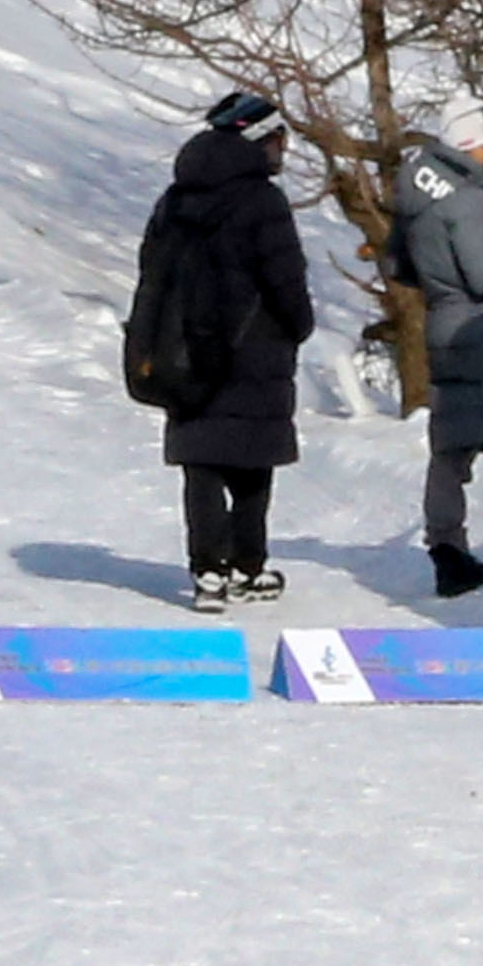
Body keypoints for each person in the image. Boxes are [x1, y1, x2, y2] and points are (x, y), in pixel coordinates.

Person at [130, 87, 316, 609]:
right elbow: (285, 278)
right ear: (260, 141)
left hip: (186, 351)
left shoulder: (175, 199)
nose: (283, 150)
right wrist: (298, 325)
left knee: (202, 462)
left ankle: (207, 570)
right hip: (254, 350)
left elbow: (153, 274)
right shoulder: (263, 200)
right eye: (279, 138)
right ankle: (248, 565)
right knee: (254, 463)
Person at [389, 108, 483, 597]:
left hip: (439, 324)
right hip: (481, 328)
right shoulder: (464, 201)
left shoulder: (414, 193)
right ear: (468, 145)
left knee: (449, 446)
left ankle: (446, 546)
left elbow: (397, 264)